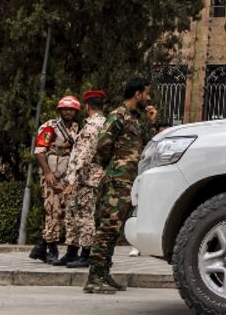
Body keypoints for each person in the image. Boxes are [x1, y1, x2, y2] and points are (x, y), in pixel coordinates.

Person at [84, 78, 156, 295]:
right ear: (137, 94)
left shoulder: (137, 119)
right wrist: (114, 167)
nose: (149, 97)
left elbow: (147, 146)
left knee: (114, 232)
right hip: (117, 181)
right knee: (107, 229)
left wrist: (151, 122)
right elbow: (102, 146)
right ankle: (94, 279)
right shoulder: (118, 116)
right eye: (147, 93)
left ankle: (104, 273)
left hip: (130, 182)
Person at [55, 90, 107, 269]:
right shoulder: (102, 123)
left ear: (87, 107)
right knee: (73, 213)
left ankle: (85, 253)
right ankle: (71, 251)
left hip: (85, 178)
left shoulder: (92, 126)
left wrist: (72, 179)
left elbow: (83, 154)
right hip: (87, 177)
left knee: (84, 215)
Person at [29, 95, 81, 264]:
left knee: (65, 213)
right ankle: (51, 249)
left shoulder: (75, 128)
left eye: (71, 109)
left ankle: (40, 247)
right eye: (65, 109)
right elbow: (39, 151)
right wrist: (47, 173)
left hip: (66, 175)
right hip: (51, 174)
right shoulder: (50, 127)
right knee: (53, 211)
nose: (68, 112)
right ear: (59, 110)